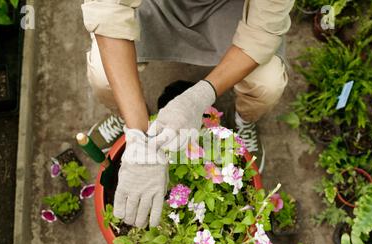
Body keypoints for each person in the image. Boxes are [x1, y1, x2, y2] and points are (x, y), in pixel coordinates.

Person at [81, 0, 294, 228]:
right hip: (155, 5)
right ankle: (125, 115)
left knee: (267, 83)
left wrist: (200, 96)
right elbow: (109, 10)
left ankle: (244, 120)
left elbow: (262, 32)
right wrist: (139, 137)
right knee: (102, 74)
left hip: (229, 8)